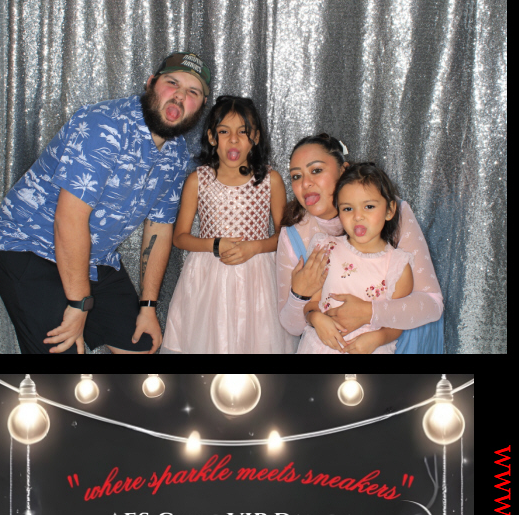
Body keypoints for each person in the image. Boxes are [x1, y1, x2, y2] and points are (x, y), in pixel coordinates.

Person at [0, 53, 210, 355]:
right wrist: (79, 304)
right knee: (64, 356)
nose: (180, 95)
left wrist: (147, 306)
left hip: (95, 257)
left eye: (193, 91)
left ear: (200, 106)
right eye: (172, 83)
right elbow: (69, 219)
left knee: (142, 347)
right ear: (151, 84)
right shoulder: (104, 124)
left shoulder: (177, 154)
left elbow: (159, 227)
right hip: (29, 244)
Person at [277, 132, 445, 353]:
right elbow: (292, 326)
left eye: (316, 170)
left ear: (343, 170)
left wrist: (368, 312)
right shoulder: (299, 237)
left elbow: (432, 304)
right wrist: (299, 295)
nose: (305, 183)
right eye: (296, 176)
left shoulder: (388, 210)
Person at [162, 95, 293, 354]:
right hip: (208, 276)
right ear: (212, 137)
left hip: (257, 276)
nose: (233, 139)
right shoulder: (198, 180)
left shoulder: (270, 180)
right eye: (224, 131)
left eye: (243, 132)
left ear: (255, 137)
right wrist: (215, 245)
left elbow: (285, 237)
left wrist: (255, 247)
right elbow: (180, 237)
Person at [297, 162, 413, 355]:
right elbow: (311, 302)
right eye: (348, 209)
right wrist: (315, 318)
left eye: (369, 206)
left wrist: (377, 338)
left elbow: (397, 321)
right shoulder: (326, 249)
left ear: (389, 210)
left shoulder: (397, 265)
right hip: (319, 346)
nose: (358, 216)